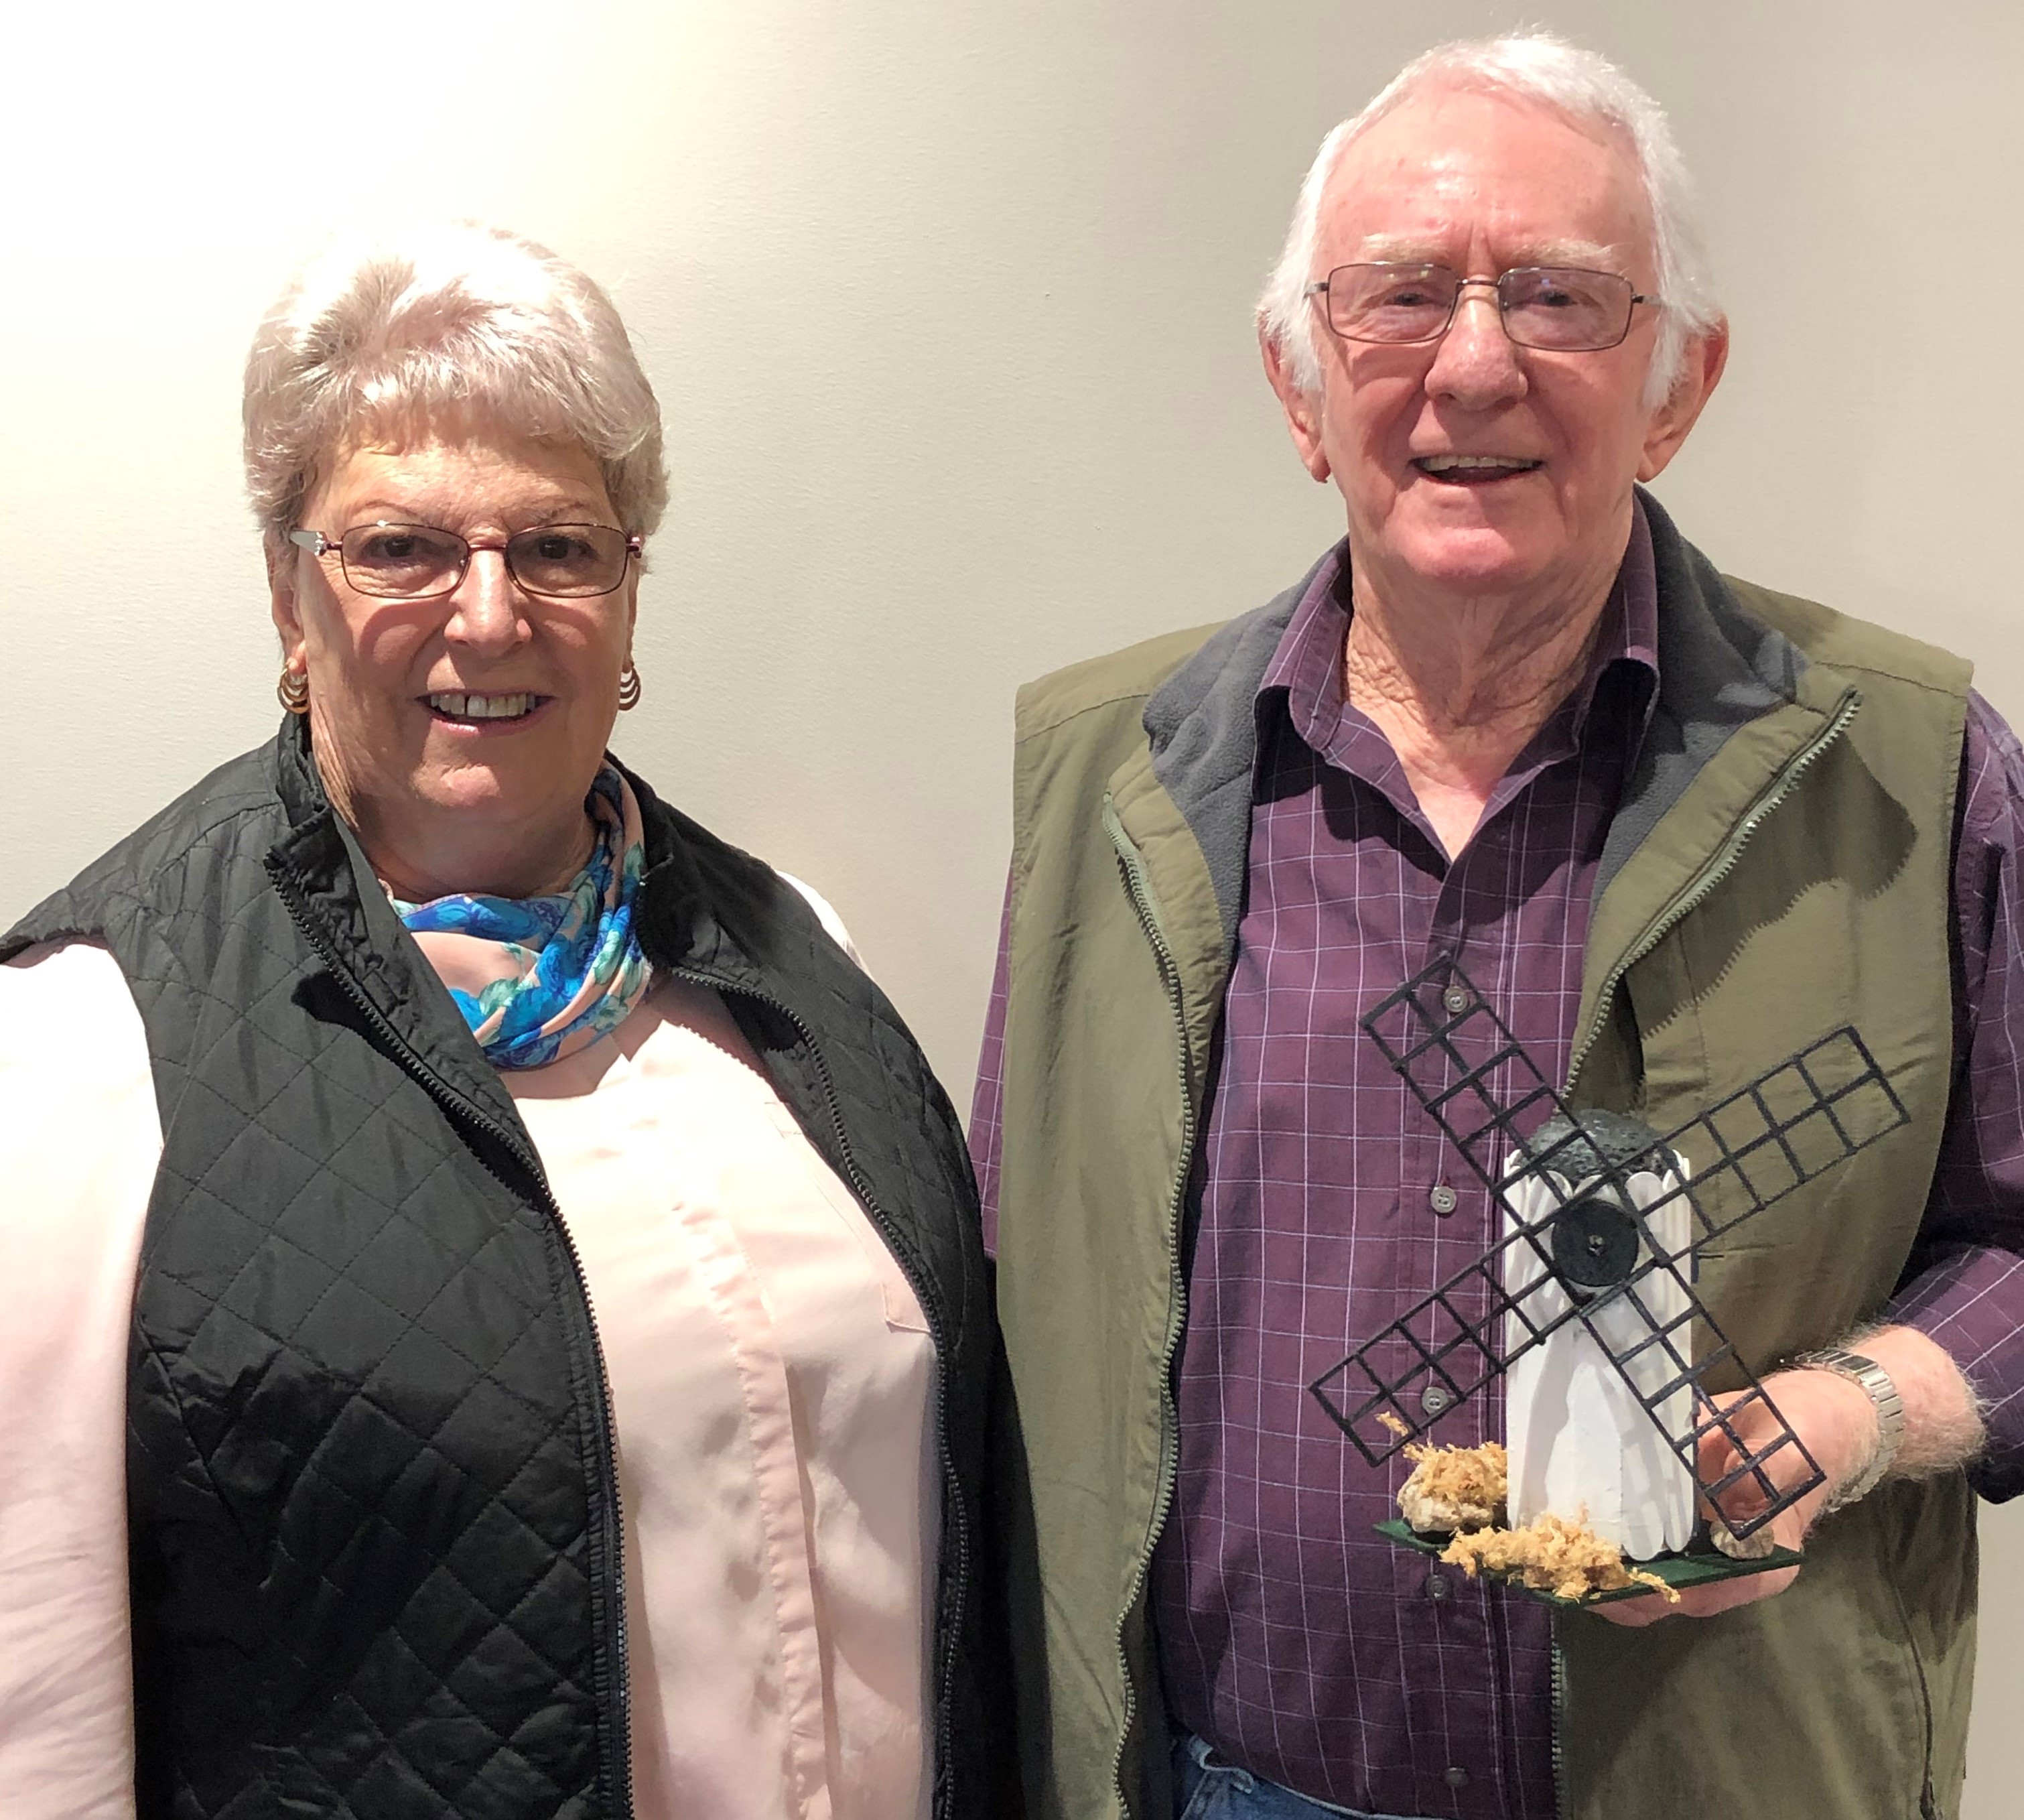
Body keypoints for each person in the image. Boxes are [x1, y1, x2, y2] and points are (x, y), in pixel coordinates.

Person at [973, 32, 2019, 1820]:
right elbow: (1016, 1295)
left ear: (1672, 384)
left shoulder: (1909, 766)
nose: (1469, 365)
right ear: (1299, 388)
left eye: (1553, 296)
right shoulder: (1107, 773)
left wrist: (1837, 1420)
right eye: (1394, 299)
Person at [0, 223, 1010, 1820]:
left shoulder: (785, 954)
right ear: (288, 593)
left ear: (624, 594)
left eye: (557, 546)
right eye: (400, 547)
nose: (487, 616)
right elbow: (32, 1701)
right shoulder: (89, 1039)